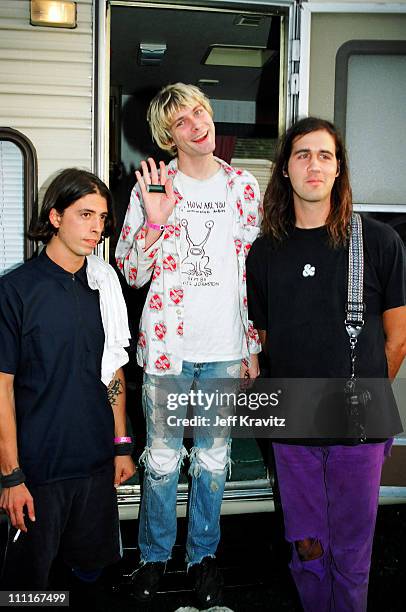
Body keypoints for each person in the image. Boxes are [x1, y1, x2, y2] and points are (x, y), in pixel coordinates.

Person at [246, 117, 406, 612]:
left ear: (338, 171)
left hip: (358, 420)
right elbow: (269, 336)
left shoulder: (378, 243)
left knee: (353, 553)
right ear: (285, 171)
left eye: (325, 156)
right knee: (307, 547)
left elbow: (397, 340)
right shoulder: (264, 252)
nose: (313, 165)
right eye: (302, 155)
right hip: (293, 422)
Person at [115, 82, 261, 606]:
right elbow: (131, 272)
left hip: (225, 346)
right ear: (167, 135)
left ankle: (203, 557)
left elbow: (251, 273)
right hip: (166, 349)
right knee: (160, 459)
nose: (197, 124)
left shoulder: (243, 186)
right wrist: (153, 223)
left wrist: (251, 345)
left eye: (199, 111)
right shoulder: (152, 185)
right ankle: (153, 558)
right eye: (182, 121)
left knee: (215, 461)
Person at [0, 168, 135, 590]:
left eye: (101, 217)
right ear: (55, 217)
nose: (97, 228)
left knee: (88, 575)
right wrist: (11, 476)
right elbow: (1, 388)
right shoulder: (16, 290)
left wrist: (121, 444)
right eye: (84, 214)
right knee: (27, 587)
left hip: (95, 465)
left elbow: (112, 369)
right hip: (39, 470)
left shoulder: (104, 285)